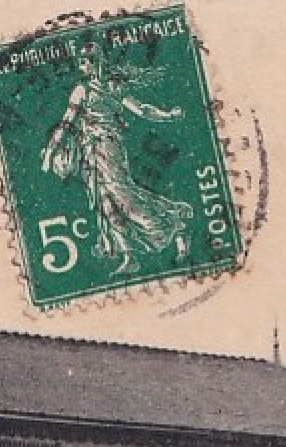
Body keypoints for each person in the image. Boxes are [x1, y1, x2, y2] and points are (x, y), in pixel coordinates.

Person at [40, 49, 194, 276]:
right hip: (89, 151)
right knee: (105, 200)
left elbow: (142, 110)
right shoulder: (81, 91)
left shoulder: (112, 87)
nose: (82, 67)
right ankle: (128, 255)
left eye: (85, 63)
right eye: (81, 63)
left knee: (122, 194)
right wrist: (50, 153)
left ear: (96, 62)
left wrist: (168, 115)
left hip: (109, 147)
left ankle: (172, 220)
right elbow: (66, 124)